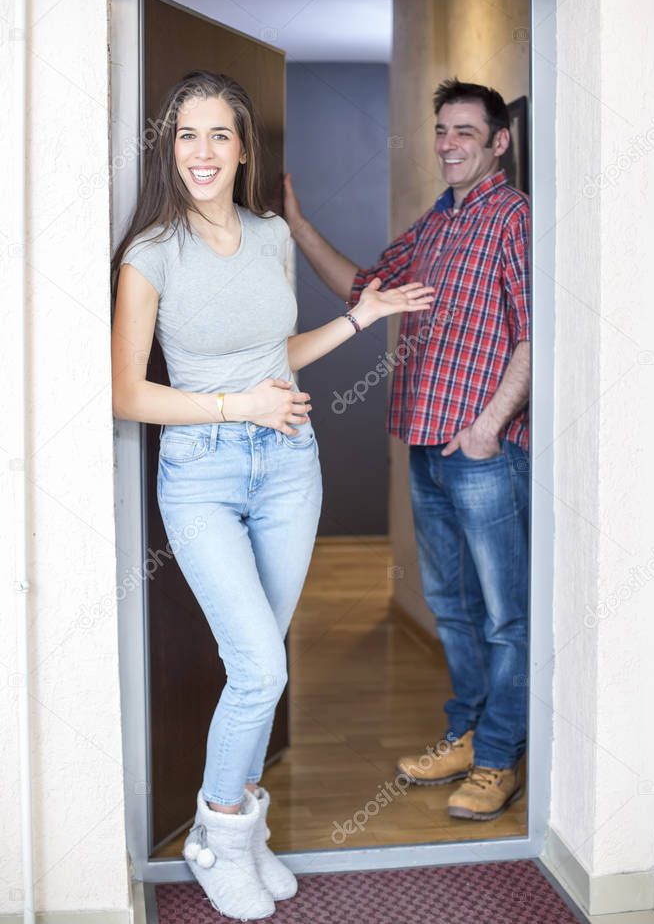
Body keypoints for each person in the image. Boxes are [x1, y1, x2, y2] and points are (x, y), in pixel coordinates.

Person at [110, 69, 434, 919]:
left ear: (243, 147)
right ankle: (217, 831)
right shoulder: (150, 255)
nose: (203, 152)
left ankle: (247, 830)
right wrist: (237, 404)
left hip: (291, 465)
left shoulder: (270, 238)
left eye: (220, 134)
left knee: (262, 666)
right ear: (168, 149)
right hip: (203, 473)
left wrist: (362, 316)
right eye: (187, 136)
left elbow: (277, 352)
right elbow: (127, 394)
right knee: (259, 666)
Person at [283, 77, 530, 823]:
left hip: (483, 452)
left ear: (499, 141)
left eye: (465, 131)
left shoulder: (513, 218)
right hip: (426, 444)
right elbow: (364, 289)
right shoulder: (437, 222)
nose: (449, 143)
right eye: (442, 129)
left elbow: (536, 331)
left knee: (502, 617)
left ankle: (497, 760)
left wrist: (488, 425)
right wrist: (296, 225)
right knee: (451, 609)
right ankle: (465, 733)